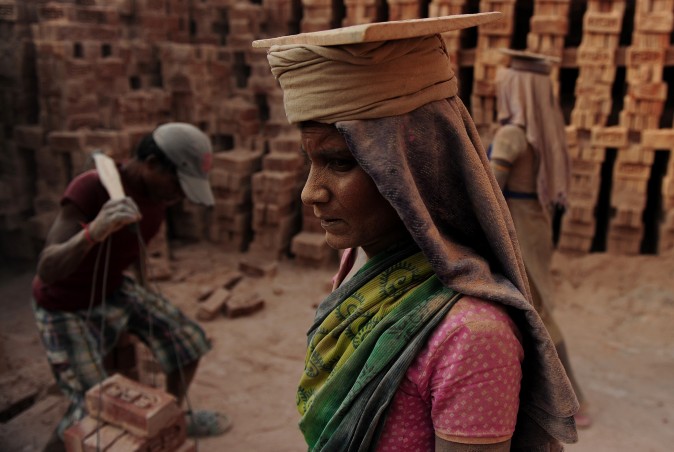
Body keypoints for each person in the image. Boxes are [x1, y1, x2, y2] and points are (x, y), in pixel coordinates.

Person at [254, 13, 579, 452]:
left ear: (411, 168)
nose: (309, 194)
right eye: (310, 162)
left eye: (339, 163)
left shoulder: (472, 337)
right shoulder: (362, 276)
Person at [32, 122, 230, 444]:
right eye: (178, 184)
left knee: (188, 343)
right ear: (151, 165)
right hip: (62, 304)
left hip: (113, 289)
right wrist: (93, 232)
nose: (180, 196)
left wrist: (144, 290)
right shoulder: (92, 188)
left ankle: (168, 422)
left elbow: (134, 244)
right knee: (93, 408)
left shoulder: (157, 197)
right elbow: (47, 269)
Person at [489, 49, 591, 428]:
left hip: (515, 231)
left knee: (540, 315)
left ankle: (572, 401)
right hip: (534, 227)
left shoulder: (512, 135)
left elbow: (490, 191)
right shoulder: (540, 130)